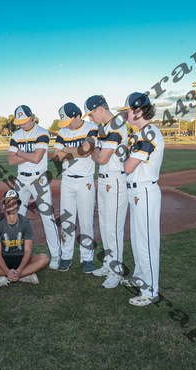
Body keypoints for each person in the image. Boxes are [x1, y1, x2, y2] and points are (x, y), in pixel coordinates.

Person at [118, 92, 165, 306]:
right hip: (137, 191)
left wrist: (121, 155)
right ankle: (139, 277)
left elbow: (128, 166)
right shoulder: (140, 133)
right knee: (138, 240)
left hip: (145, 191)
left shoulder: (149, 133)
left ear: (138, 111)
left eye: (128, 110)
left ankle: (150, 290)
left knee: (146, 242)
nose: (126, 114)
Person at [83, 95, 130, 289]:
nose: (90, 119)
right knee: (104, 226)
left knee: (113, 229)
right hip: (103, 180)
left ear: (100, 109)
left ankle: (116, 271)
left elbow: (100, 158)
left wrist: (95, 150)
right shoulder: (104, 128)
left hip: (115, 180)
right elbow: (96, 156)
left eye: (92, 114)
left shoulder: (117, 125)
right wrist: (96, 151)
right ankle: (107, 265)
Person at [8, 105, 61, 270]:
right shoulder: (16, 135)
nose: (22, 125)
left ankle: (56, 255)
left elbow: (37, 158)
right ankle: (17, 253)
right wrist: (28, 156)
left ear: (32, 117)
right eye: (19, 122)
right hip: (21, 179)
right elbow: (11, 160)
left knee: (47, 216)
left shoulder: (42, 132)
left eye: (24, 121)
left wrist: (21, 154)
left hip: (39, 179)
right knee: (16, 217)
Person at [52, 102, 97, 273]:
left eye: (69, 121)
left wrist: (67, 150)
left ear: (77, 115)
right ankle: (66, 256)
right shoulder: (63, 131)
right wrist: (79, 151)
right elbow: (56, 156)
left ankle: (87, 258)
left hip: (85, 180)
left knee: (86, 221)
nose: (67, 126)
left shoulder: (92, 127)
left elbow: (87, 150)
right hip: (67, 181)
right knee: (67, 221)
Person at [0, 190, 49, 290]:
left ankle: (7, 277)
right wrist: (7, 271)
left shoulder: (26, 223)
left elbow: (28, 251)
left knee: (44, 258)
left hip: (22, 259)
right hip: (4, 260)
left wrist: (19, 270)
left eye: (14, 202)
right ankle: (23, 275)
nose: (11, 204)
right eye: (8, 202)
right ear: (3, 206)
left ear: (19, 205)